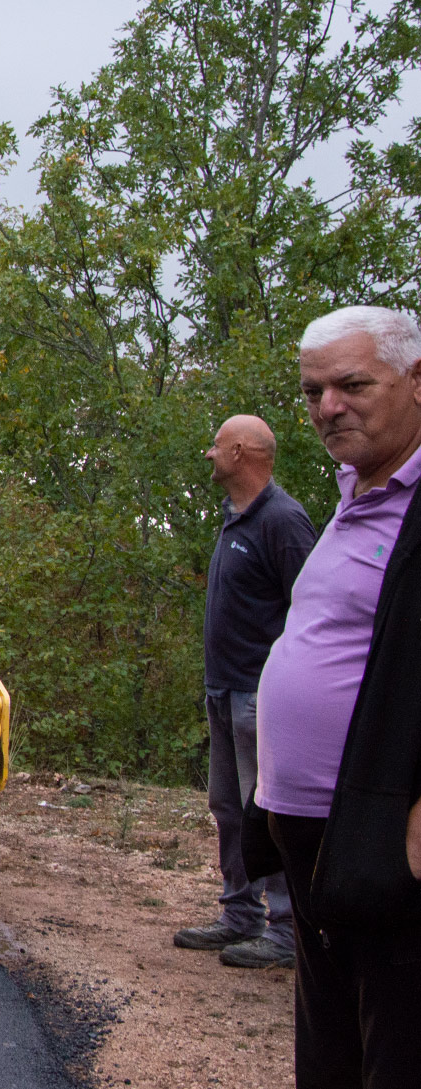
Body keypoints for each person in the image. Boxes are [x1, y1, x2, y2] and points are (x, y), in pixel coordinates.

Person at [250, 305, 421, 1087]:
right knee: (327, 1043)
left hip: (383, 831)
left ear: (416, 381)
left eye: (352, 384)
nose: (328, 407)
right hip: (310, 826)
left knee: (396, 1035)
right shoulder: (356, 492)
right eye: (314, 390)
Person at [174, 415, 314, 969]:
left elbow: (311, 610)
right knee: (229, 808)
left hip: (260, 694)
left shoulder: (283, 520)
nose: (208, 455)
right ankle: (239, 915)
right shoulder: (235, 518)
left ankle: (285, 929)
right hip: (224, 689)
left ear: (239, 451)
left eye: (215, 446)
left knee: (268, 814)